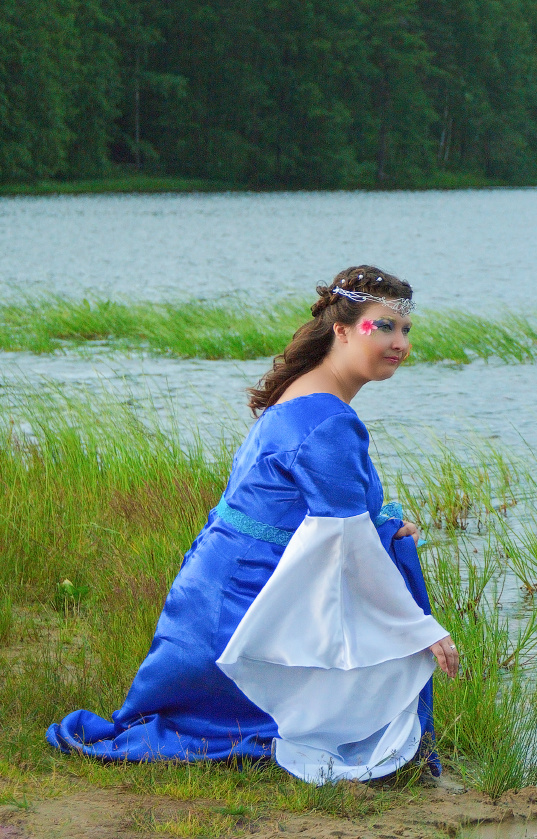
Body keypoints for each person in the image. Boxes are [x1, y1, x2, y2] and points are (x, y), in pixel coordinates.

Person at [47, 266, 459, 783]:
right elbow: (346, 541)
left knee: (385, 556)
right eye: (384, 327)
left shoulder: (303, 392)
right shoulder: (329, 420)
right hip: (243, 601)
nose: (400, 343)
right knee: (384, 637)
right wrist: (418, 629)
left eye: (406, 330)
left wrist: (383, 524)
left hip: (211, 583)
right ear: (342, 329)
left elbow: (312, 510)